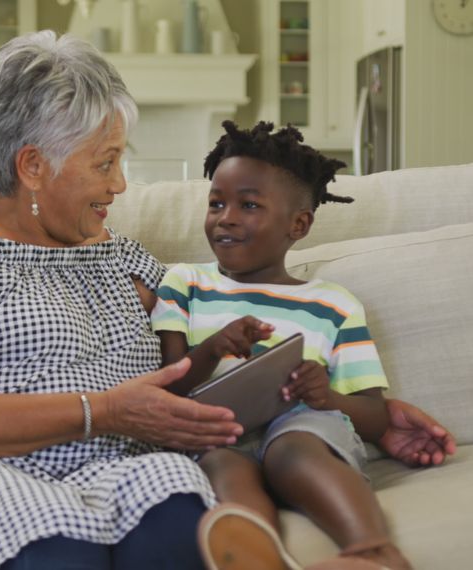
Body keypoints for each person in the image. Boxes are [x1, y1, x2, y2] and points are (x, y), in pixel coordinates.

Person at [0, 31, 453, 570]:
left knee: (178, 511)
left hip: (111, 462)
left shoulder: (118, 255)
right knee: (61, 548)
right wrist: (104, 412)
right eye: (104, 163)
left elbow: (215, 331)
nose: (119, 185)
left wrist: (373, 412)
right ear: (32, 166)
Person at [152, 121, 430, 569]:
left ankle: (375, 552)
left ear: (298, 224)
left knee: (292, 450)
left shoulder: (334, 304)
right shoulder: (184, 283)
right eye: (217, 203)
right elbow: (168, 389)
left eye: (249, 205)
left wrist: (326, 395)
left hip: (304, 429)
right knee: (223, 463)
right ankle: (260, 559)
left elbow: (376, 417)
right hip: (217, 432)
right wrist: (214, 349)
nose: (226, 217)